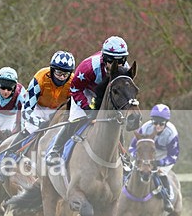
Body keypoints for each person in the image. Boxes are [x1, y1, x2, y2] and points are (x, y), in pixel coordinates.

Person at [45, 36, 129, 164]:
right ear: (104, 58)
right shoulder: (88, 67)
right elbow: (74, 88)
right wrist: (87, 108)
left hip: (105, 94)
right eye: (111, 61)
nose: (116, 66)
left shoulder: (125, 70)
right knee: (77, 119)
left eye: (121, 61)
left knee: (116, 121)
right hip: (84, 91)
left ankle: (123, 155)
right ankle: (55, 150)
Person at [129, 104, 180, 213]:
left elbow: (173, 156)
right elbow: (132, 147)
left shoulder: (171, 133)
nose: (157, 126)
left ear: (166, 123)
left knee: (161, 173)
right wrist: (138, 158)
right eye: (155, 122)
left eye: (161, 123)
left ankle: (167, 199)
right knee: (131, 169)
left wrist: (160, 162)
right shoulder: (145, 127)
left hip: (164, 155)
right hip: (144, 154)